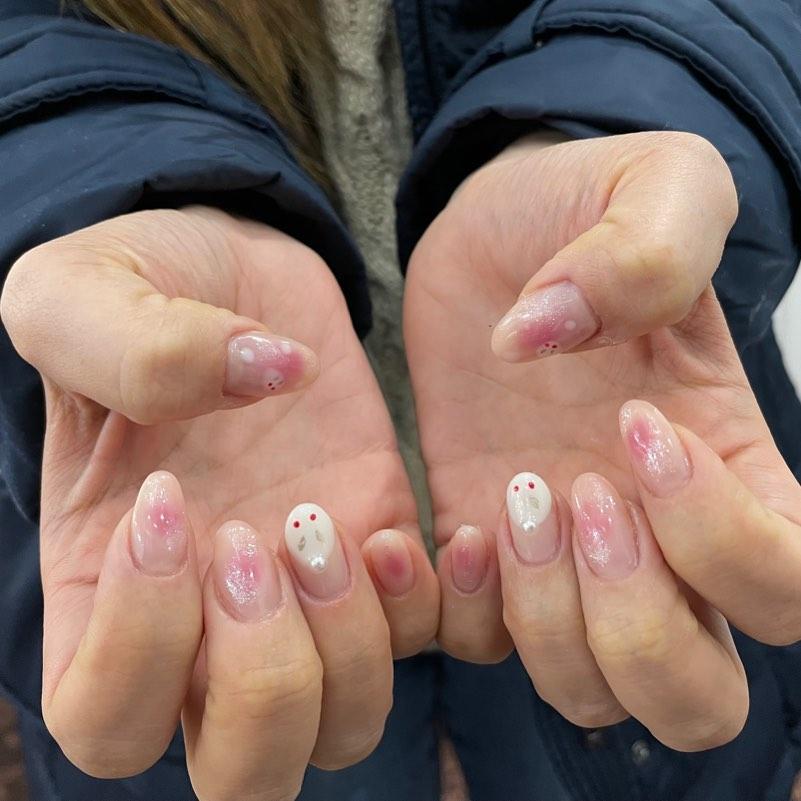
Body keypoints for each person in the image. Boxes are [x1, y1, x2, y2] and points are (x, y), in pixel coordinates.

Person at [1, 1, 800, 799]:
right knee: (251, 729)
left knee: (645, 702)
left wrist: (620, 127)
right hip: (189, 504)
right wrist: (86, 214)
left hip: (609, 432)